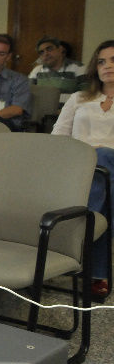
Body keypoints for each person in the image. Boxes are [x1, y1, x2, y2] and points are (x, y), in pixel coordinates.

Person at [51, 39, 114, 299]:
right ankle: (97, 271)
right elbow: (57, 138)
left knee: (103, 156)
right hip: (78, 169)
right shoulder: (79, 99)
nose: (107, 66)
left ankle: (73, 240)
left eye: (113, 60)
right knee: (101, 187)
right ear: (94, 68)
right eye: (102, 61)